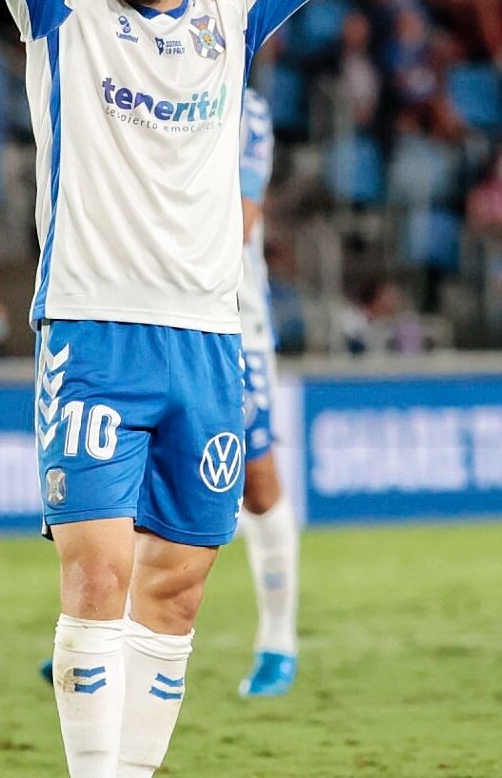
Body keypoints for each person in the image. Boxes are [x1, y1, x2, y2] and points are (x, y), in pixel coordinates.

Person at [0, 0, 370, 778]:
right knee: (97, 574)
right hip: (92, 329)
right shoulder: (61, 4)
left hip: (206, 341)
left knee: (179, 591)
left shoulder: (235, 7)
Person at [233, 87, 300, 697]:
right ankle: (103, 628)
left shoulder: (245, 107)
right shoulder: (129, 72)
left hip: (234, 322)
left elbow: (244, 216)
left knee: (257, 480)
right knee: (130, 474)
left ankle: (278, 641)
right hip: (148, 314)